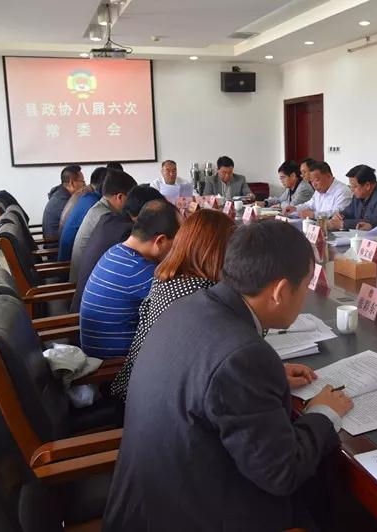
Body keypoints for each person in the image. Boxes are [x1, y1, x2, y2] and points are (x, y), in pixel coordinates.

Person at [103, 221, 353, 530]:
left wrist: (267, 378)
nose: (305, 296)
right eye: (304, 286)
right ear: (279, 291)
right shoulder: (243, 357)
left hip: (145, 506)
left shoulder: (188, 306)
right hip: (190, 518)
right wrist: (324, 412)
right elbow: (282, 472)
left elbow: (210, 376)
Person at [109, 209, 236, 402]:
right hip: (158, 402)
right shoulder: (201, 292)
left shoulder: (166, 276)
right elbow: (239, 337)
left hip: (136, 390)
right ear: (218, 251)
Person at [79, 199, 180, 359]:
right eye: (179, 242)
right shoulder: (141, 271)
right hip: (115, 365)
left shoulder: (116, 251)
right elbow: (181, 307)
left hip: (96, 353)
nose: (180, 248)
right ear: (160, 241)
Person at [69, 185, 165, 313]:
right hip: (85, 318)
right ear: (148, 213)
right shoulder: (128, 236)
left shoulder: (108, 219)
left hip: (84, 308)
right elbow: (155, 277)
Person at [69, 169, 137, 282]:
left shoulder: (100, 207)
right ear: (120, 197)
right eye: (130, 198)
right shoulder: (105, 217)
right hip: (83, 283)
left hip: (86, 277)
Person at [58, 166, 106, 260]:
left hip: (64, 254)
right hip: (66, 263)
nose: (84, 185)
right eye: (83, 182)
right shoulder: (93, 204)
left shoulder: (85, 197)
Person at [329, 164, 377, 231]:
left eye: (355, 186)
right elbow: (347, 213)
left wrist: (342, 224)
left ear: (367, 185)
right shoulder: (358, 195)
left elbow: (375, 222)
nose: (351, 189)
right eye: (350, 186)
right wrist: (339, 216)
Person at [284, 160, 352, 219]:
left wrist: (314, 215)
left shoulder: (343, 191)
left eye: (317, 180)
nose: (314, 184)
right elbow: (309, 205)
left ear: (328, 176)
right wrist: (295, 208)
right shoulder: (319, 190)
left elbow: (338, 213)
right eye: (311, 181)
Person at [42, 165, 84, 241]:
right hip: (55, 245)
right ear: (72, 183)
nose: (84, 185)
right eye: (83, 182)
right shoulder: (64, 201)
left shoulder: (60, 193)